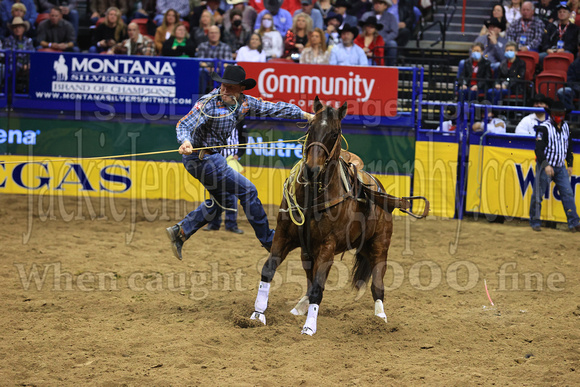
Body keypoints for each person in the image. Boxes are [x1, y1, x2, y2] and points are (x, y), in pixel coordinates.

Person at [165, 65, 315, 260]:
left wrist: (306, 115)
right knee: (248, 190)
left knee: (220, 202)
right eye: (223, 86)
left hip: (210, 159)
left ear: (241, 89)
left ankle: (181, 231)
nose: (224, 90)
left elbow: (274, 108)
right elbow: (184, 123)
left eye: (230, 87)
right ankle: (269, 240)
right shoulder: (208, 103)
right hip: (202, 159)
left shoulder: (245, 103)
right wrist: (185, 141)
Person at [529, 100, 580, 232]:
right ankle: (535, 221)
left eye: (560, 113)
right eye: (556, 113)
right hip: (546, 165)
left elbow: (569, 147)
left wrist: (569, 164)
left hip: (560, 165)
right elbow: (538, 150)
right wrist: (546, 165)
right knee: (538, 194)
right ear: (551, 114)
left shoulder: (566, 127)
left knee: (567, 194)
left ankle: (574, 222)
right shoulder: (543, 128)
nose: (558, 116)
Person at [202, 122, 248, 234]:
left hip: (231, 160)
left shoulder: (239, 121)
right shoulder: (214, 119)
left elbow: (243, 139)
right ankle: (214, 223)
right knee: (214, 192)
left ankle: (231, 224)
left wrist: (238, 154)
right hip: (216, 160)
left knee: (232, 192)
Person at [361, 0, 399, 64]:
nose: (377, 5)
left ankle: (391, 66)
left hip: (384, 41)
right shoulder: (366, 15)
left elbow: (394, 32)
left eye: (380, 3)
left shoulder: (391, 17)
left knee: (392, 44)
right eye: (376, 3)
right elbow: (360, 29)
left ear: (385, 6)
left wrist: (383, 40)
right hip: (367, 40)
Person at [3, 16, 34, 94]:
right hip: (13, 65)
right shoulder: (8, 41)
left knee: (35, 69)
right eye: (15, 27)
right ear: (12, 29)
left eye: (19, 27)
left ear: (23, 29)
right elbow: (9, 57)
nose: (17, 29)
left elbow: (32, 54)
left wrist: (28, 64)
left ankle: (31, 94)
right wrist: (21, 65)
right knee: (9, 68)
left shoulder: (28, 41)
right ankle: (9, 95)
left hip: (27, 65)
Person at [557, 44, 580, 110]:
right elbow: (570, 81)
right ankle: (573, 116)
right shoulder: (575, 64)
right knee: (562, 92)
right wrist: (578, 88)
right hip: (577, 90)